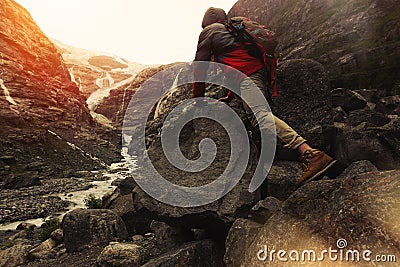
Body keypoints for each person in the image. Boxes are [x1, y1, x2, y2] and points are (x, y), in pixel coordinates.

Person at [192, 7, 337, 185]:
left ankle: (310, 153)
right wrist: (231, 95)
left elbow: (200, 68)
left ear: (206, 22)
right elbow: (239, 58)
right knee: (258, 117)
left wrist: (197, 100)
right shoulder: (234, 27)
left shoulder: (210, 31)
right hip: (259, 74)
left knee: (260, 116)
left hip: (246, 77)